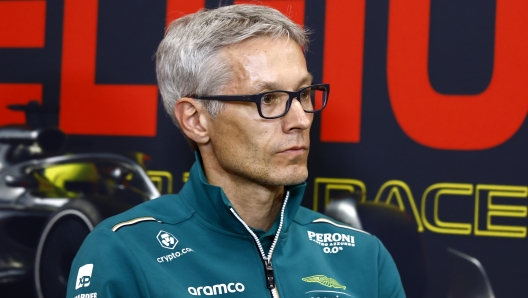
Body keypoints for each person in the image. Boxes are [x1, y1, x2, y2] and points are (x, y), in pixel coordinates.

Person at [66, 4, 405, 298]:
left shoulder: (363, 256)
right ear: (196, 120)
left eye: (303, 93)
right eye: (268, 99)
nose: (300, 119)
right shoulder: (123, 253)